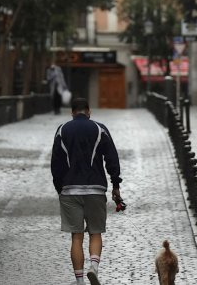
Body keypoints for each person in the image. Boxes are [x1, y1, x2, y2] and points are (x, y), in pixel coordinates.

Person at [51, 98, 122, 285]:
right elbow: (112, 159)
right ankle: (94, 268)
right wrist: (115, 185)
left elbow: (55, 164)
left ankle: (80, 281)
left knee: (76, 236)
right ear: (88, 111)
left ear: (72, 112)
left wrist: (60, 188)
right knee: (95, 233)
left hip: (69, 190)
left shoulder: (62, 130)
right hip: (96, 189)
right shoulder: (100, 129)